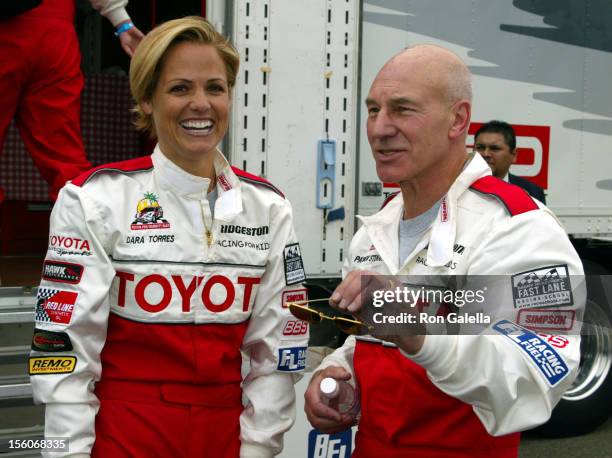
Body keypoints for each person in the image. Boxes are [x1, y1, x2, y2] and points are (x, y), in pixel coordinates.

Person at [29, 16, 308, 458]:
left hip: (226, 437)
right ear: (146, 100)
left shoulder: (269, 207)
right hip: (122, 434)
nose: (201, 103)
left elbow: (276, 352)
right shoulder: (92, 199)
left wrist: (259, 449)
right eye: (180, 88)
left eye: (215, 88)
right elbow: (65, 349)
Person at [304, 45, 584, 458]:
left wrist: (419, 332)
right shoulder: (374, 229)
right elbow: (368, 342)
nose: (379, 128)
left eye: (402, 110)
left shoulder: (520, 225)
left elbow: (537, 372)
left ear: (458, 120)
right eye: (373, 109)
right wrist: (339, 372)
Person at [0, 0, 143, 203]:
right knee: (65, 158)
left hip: (7, 28)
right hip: (56, 31)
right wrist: (122, 22)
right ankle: (82, 229)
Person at [474, 120, 546, 203]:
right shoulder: (460, 187)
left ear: (514, 155)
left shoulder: (533, 192)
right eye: (480, 148)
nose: (486, 154)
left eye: (494, 148)